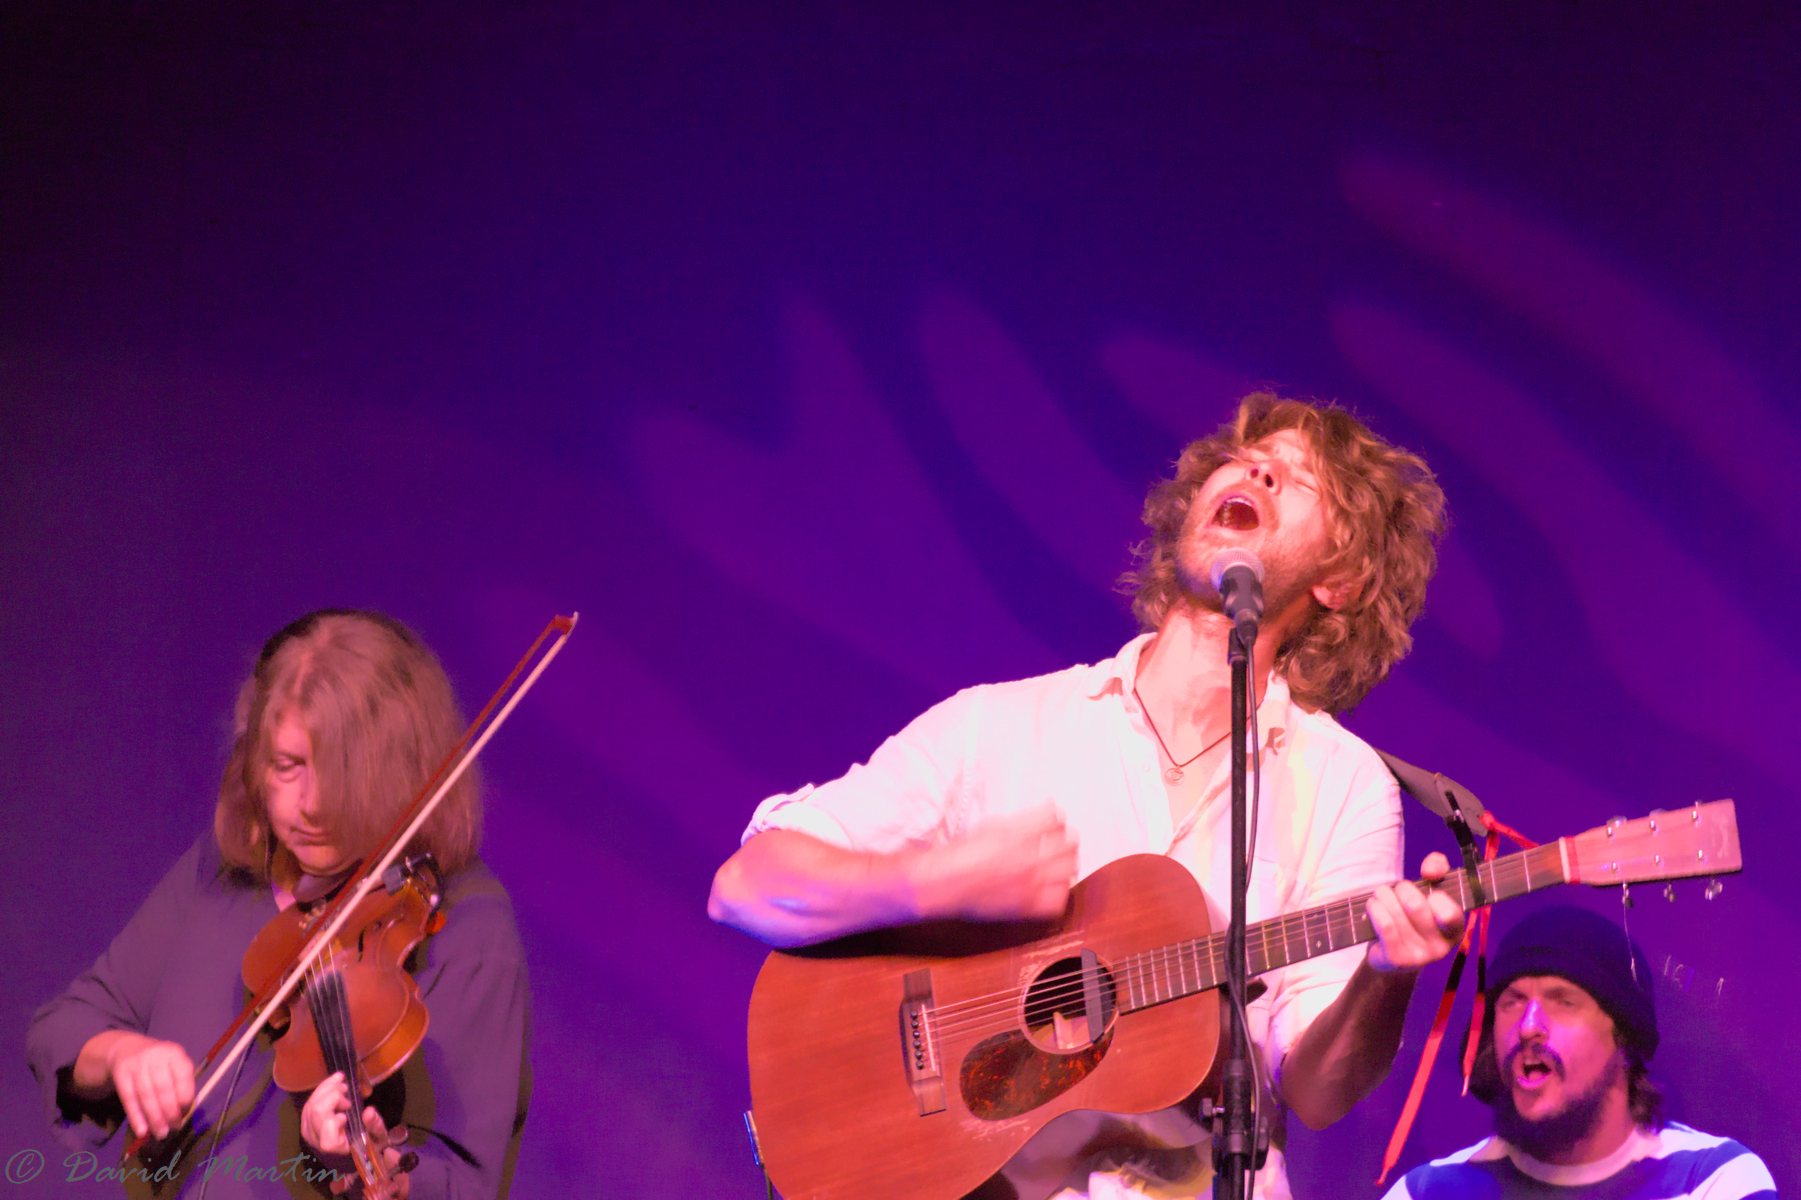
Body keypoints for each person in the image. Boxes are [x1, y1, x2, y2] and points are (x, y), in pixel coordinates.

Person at [710, 393, 1467, 1200]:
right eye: (1245, 460)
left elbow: (1316, 1091)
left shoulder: (1344, 784)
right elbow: (745, 887)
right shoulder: (1000, 726)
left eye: (1293, 477)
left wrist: (1386, 975)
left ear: (1341, 582)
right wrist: (930, 883)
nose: (1254, 471)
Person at [28, 610, 531, 1199]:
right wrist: (121, 1055)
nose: (310, 804)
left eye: (342, 774)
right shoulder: (225, 872)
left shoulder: (463, 924)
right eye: (287, 766)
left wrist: (357, 1164)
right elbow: (66, 1025)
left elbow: (467, 1183)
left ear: (397, 770)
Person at [1381, 906, 1777, 1200]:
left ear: (1624, 1039)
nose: (1529, 1025)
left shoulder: (1713, 1180)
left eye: (1563, 1002)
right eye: (1512, 1002)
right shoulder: (1426, 1191)